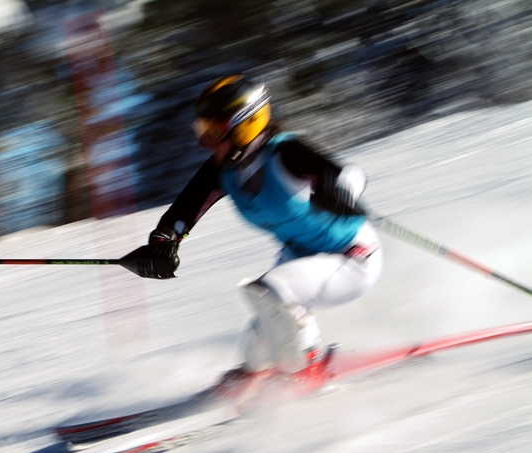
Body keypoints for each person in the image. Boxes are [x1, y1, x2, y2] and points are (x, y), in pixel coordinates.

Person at [124, 75, 383, 374]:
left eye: (212, 130)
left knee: (272, 290)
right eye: (201, 130)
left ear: (243, 123)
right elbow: (183, 211)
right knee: (258, 347)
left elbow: (347, 175)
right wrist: (162, 244)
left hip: (352, 258)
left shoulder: (285, 154)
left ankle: (308, 363)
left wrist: (341, 191)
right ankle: (257, 374)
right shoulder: (223, 171)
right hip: (301, 259)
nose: (204, 141)